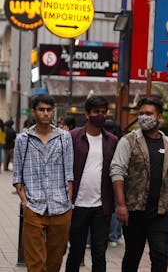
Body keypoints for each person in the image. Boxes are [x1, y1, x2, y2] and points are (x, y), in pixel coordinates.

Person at [110, 97, 168, 272]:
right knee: (132, 256)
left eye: (148, 113)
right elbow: (117, 171)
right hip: (135, 212)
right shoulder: (129, 141)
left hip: (161, 212)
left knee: (160, 256)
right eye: (141, 113)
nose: (143, 117)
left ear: (159, 117)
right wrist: (121, 205)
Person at [13, 94, 74, 272]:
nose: (46, 113)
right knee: (35, 263)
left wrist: (69, 201)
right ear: (34, 112)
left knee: (55, 261)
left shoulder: (64, 138)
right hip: (34, 207)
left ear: (53, 112)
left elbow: (69, 173)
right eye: (41, 110)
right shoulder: (23, 140)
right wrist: (25, 203)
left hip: (60, 207)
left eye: (49, 110)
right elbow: (17, 177)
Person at [65, 95, 118, 272]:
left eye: (104, 112)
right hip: (77, 205)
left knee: (99, 253)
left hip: (101, 207)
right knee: (76, 252)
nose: (100, 115)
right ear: (87, 114)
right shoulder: (72, 137)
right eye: (96, 112)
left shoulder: (112, 140)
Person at [104, 118, 123, 248]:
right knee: (116, 206)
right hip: (118, 180)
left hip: (104, 179)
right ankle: (114, 236)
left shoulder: (105, 140)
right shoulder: (120, 142)